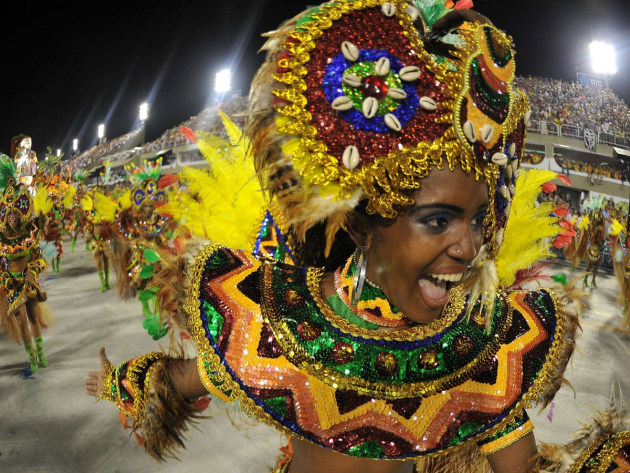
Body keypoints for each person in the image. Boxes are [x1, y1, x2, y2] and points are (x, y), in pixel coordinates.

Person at [85, 1, 626, 472]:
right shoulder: (277, 322)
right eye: (437, 220)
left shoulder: (479, 351)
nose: (469, 248)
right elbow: (182, 379)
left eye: (475, 219)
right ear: (362, 224)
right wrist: (120, 382)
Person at [0, 155, 51, 373]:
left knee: (33, 318)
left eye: (14, 213)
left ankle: (40, 353)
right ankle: (31, 356)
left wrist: (33, 270)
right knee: (21, 322)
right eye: (8, 214)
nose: (12, 217)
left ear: (20, 212)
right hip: (13, 285)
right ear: (4, 215)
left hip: (29, 281)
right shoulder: (1, 239)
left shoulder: (30, 233)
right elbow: (0, 268)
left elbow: (40, 258)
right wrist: (6, 280)